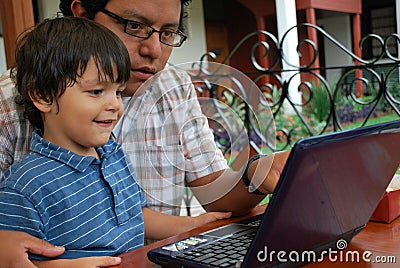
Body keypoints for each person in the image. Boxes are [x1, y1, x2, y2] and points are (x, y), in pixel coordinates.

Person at [0, 0, 290, 266]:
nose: (154, 50)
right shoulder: (16, 141)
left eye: (168, 33)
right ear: (81, 14)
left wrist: (256, 174)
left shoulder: (113, 150)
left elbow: (134, 211)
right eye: (135, 26)